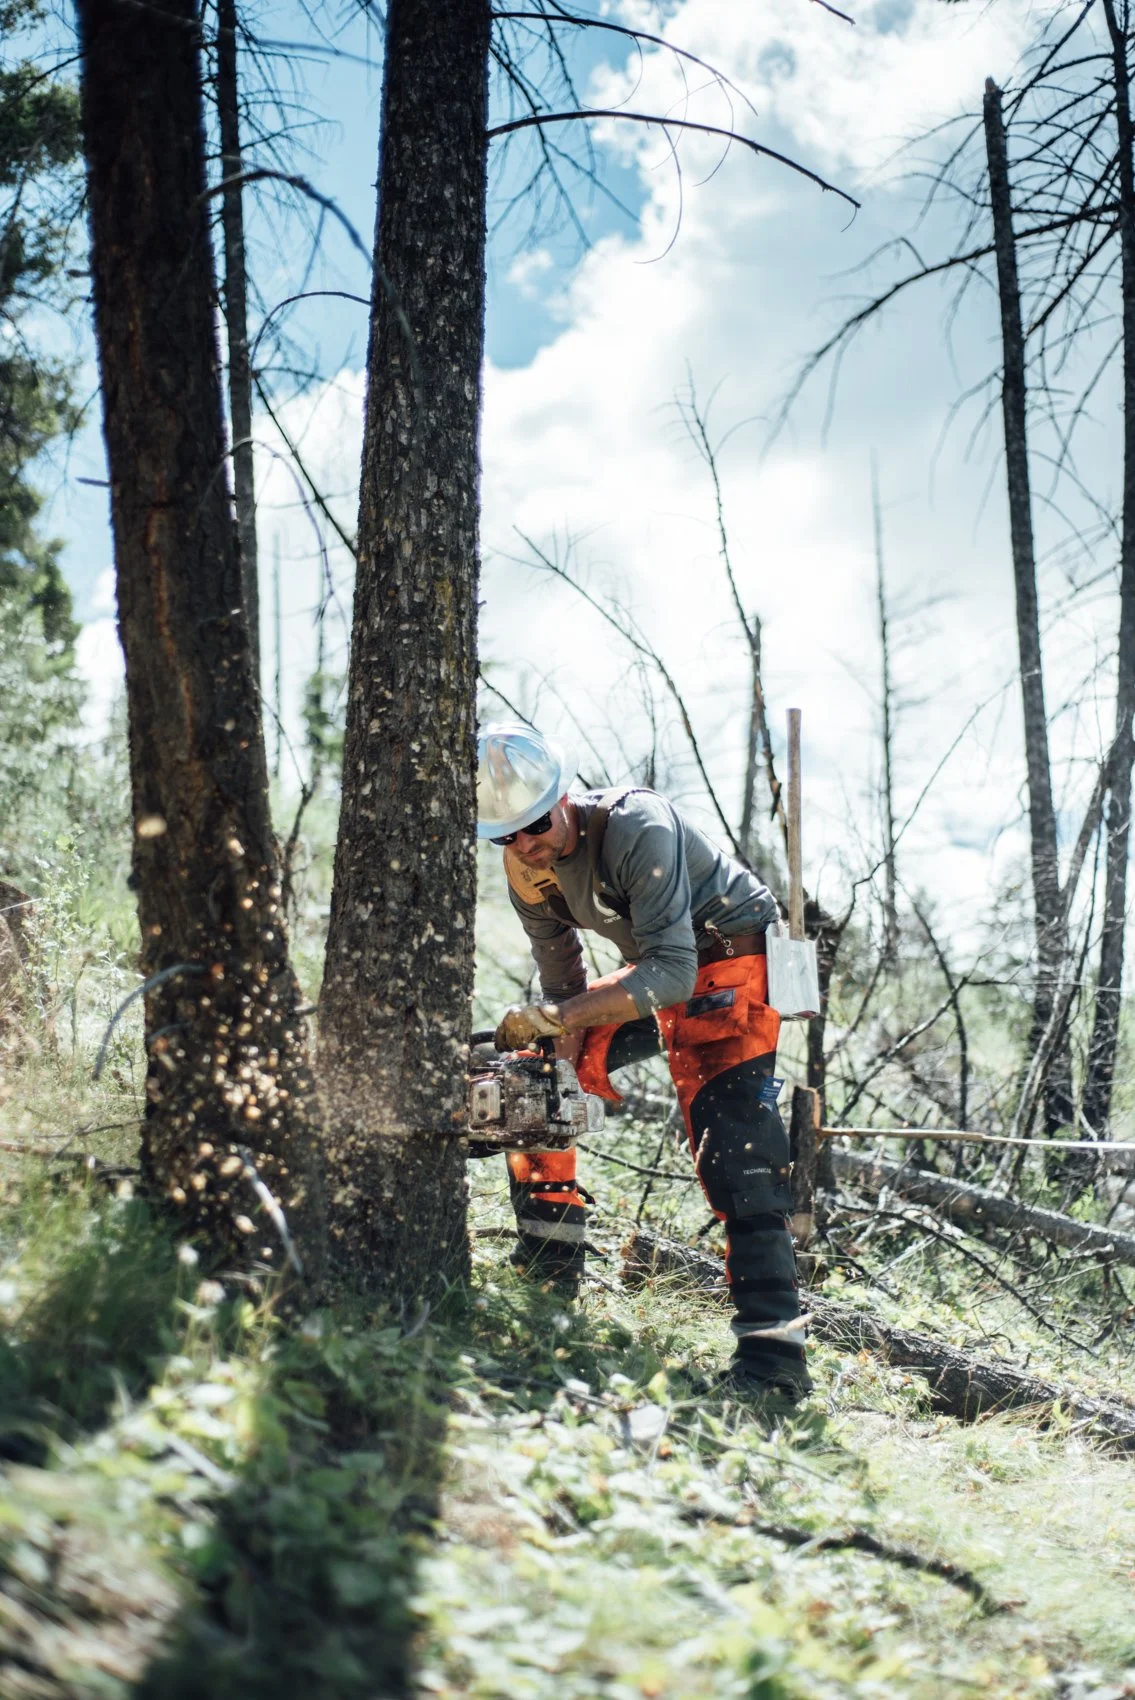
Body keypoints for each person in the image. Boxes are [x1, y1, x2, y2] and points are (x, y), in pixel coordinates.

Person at [477, 720, 811, 1400]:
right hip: (659, 966)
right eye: (505, 836)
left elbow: (674, 975)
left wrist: (562, 1017)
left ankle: (774, 1362)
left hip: (729, 958)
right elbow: (563, 988)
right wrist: (556, 1053)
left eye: (535, 826)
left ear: (562, 797)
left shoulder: (635, 826)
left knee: (732, 1142)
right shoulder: (525, 869)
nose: (526, 845)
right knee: (538, 1077)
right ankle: (549, 1265)